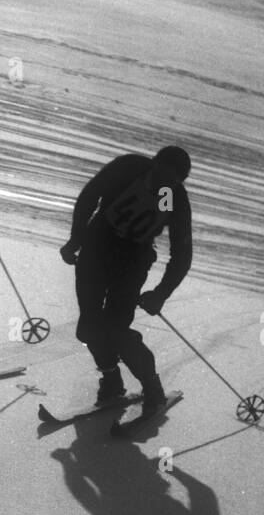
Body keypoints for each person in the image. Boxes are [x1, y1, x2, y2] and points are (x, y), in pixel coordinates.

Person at [60, 146, 193, 409]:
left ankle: (152, 387)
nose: (165, 184)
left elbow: (182, 255)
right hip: (96, 250)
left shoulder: (170, 197)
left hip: (131, 261)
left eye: (174, 181)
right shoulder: (128, 169)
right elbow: (89, 197)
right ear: (153, 163)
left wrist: (161, 293)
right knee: (88, 327)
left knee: (115, 330)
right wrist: (75, 238)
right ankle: (111, 379)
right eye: (163, 175)